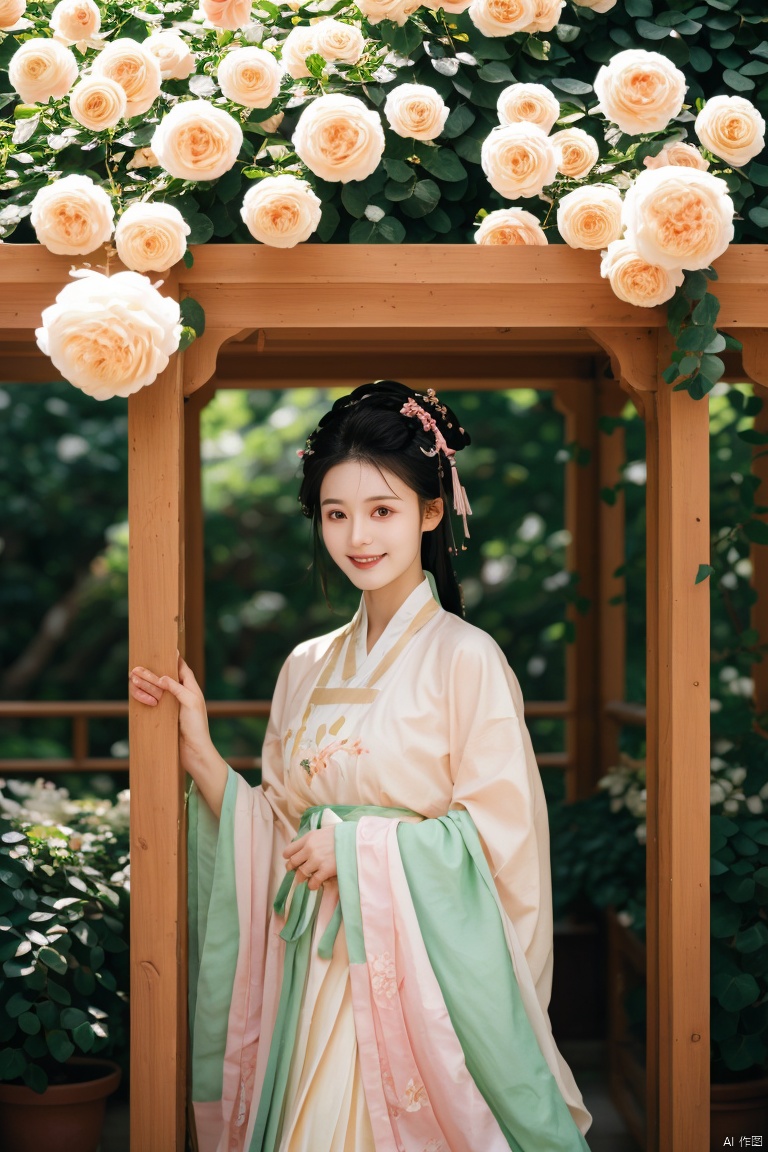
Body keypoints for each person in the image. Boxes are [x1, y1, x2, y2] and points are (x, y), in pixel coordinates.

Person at [129, 380, 593, 1152]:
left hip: (419, 980)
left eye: (382, 511)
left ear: (431, 512)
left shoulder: (468, 659)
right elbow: (277, 835)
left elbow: (501, 840)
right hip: (315, 977)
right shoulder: (305, 665)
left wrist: (356, 848)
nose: (358, 536)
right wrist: (201, 754)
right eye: (336, 514)